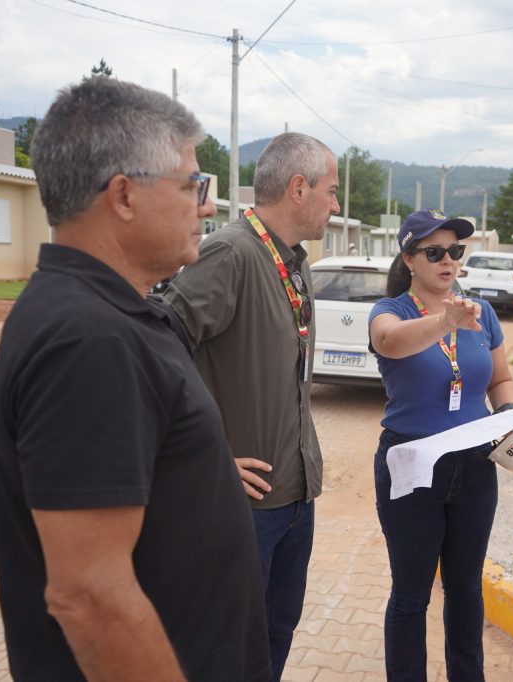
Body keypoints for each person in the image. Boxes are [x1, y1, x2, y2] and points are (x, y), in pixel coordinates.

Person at [0, 77, 270, 680]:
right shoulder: (89, 338)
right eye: (192, 185)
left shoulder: (111, 315)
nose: (207, 206)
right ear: (123, 195)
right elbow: (89, 594)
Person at [164, 132, 340, 680]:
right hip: (242, 509)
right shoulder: (232, 253)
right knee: (225, 651)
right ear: (298, 188)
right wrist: (201, 455)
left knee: (273, 636)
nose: (335, 206)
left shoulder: (295, 263)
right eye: (332, 191)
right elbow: (153, 348)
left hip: (294, 494)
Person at [368, 209, 513, 681]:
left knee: (466, 590)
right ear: (409, 259)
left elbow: (500, 378)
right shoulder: (390, 311)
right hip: (412, 464)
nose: (448, 260)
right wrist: (444, 322)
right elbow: (389, 343)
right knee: (411, 595)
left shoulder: (483, 312)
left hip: (475, 464)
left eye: (455, 250)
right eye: (434, 252)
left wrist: (511, 418)